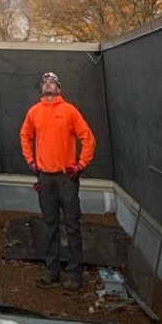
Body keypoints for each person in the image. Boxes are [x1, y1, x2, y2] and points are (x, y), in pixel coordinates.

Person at [20, 70, 96, 293]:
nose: (48, 84)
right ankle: (51, 272)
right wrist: (31, 161)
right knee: (50, 226)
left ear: (59, 89)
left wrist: (81, 164)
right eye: (45, 81)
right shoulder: (34, 112)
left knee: (72, 226)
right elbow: (25, 136)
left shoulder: (69, 111)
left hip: (66, 179)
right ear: (41, 88)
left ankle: (75, 275)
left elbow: (88, 138)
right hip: (45, 179)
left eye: (52, 81)